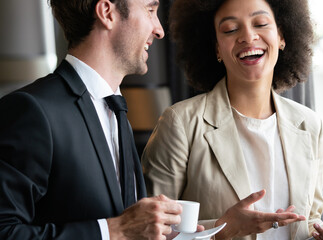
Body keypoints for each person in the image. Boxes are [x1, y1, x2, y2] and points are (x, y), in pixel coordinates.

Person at [141, 0, 323, 239]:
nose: (248, 36)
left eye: (261, 23)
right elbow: (149, 230)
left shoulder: (309, 124)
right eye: (230, 29)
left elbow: (307, 222)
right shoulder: (180, 123)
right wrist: (222, 229)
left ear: (282, 36)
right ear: (216, 48)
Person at [0, 0, 191, 239]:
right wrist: (114, 231)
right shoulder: (31, 110)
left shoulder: (116, 109)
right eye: (150, 10)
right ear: (107, 13)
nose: (159, 29)